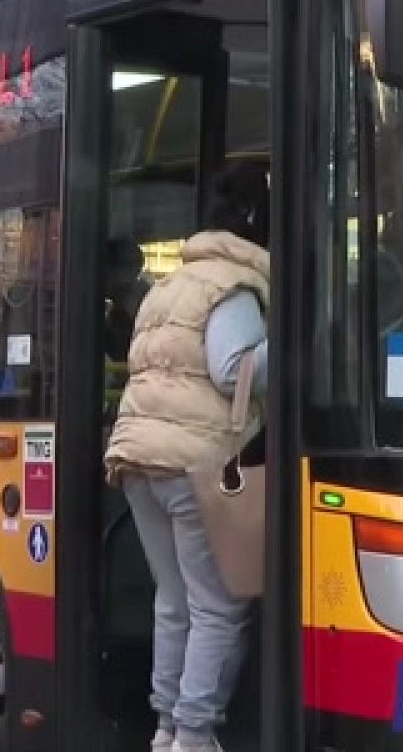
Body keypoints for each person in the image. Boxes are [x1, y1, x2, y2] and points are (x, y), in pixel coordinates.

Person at [104, 162, 270, 752]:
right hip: (193, 464)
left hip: (138, 460)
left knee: (173, 602)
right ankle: (196, 733)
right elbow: (232, 370)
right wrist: (298, 338)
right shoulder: (234, 286)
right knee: (218, 608)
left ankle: (166, 727)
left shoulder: (170, 285)